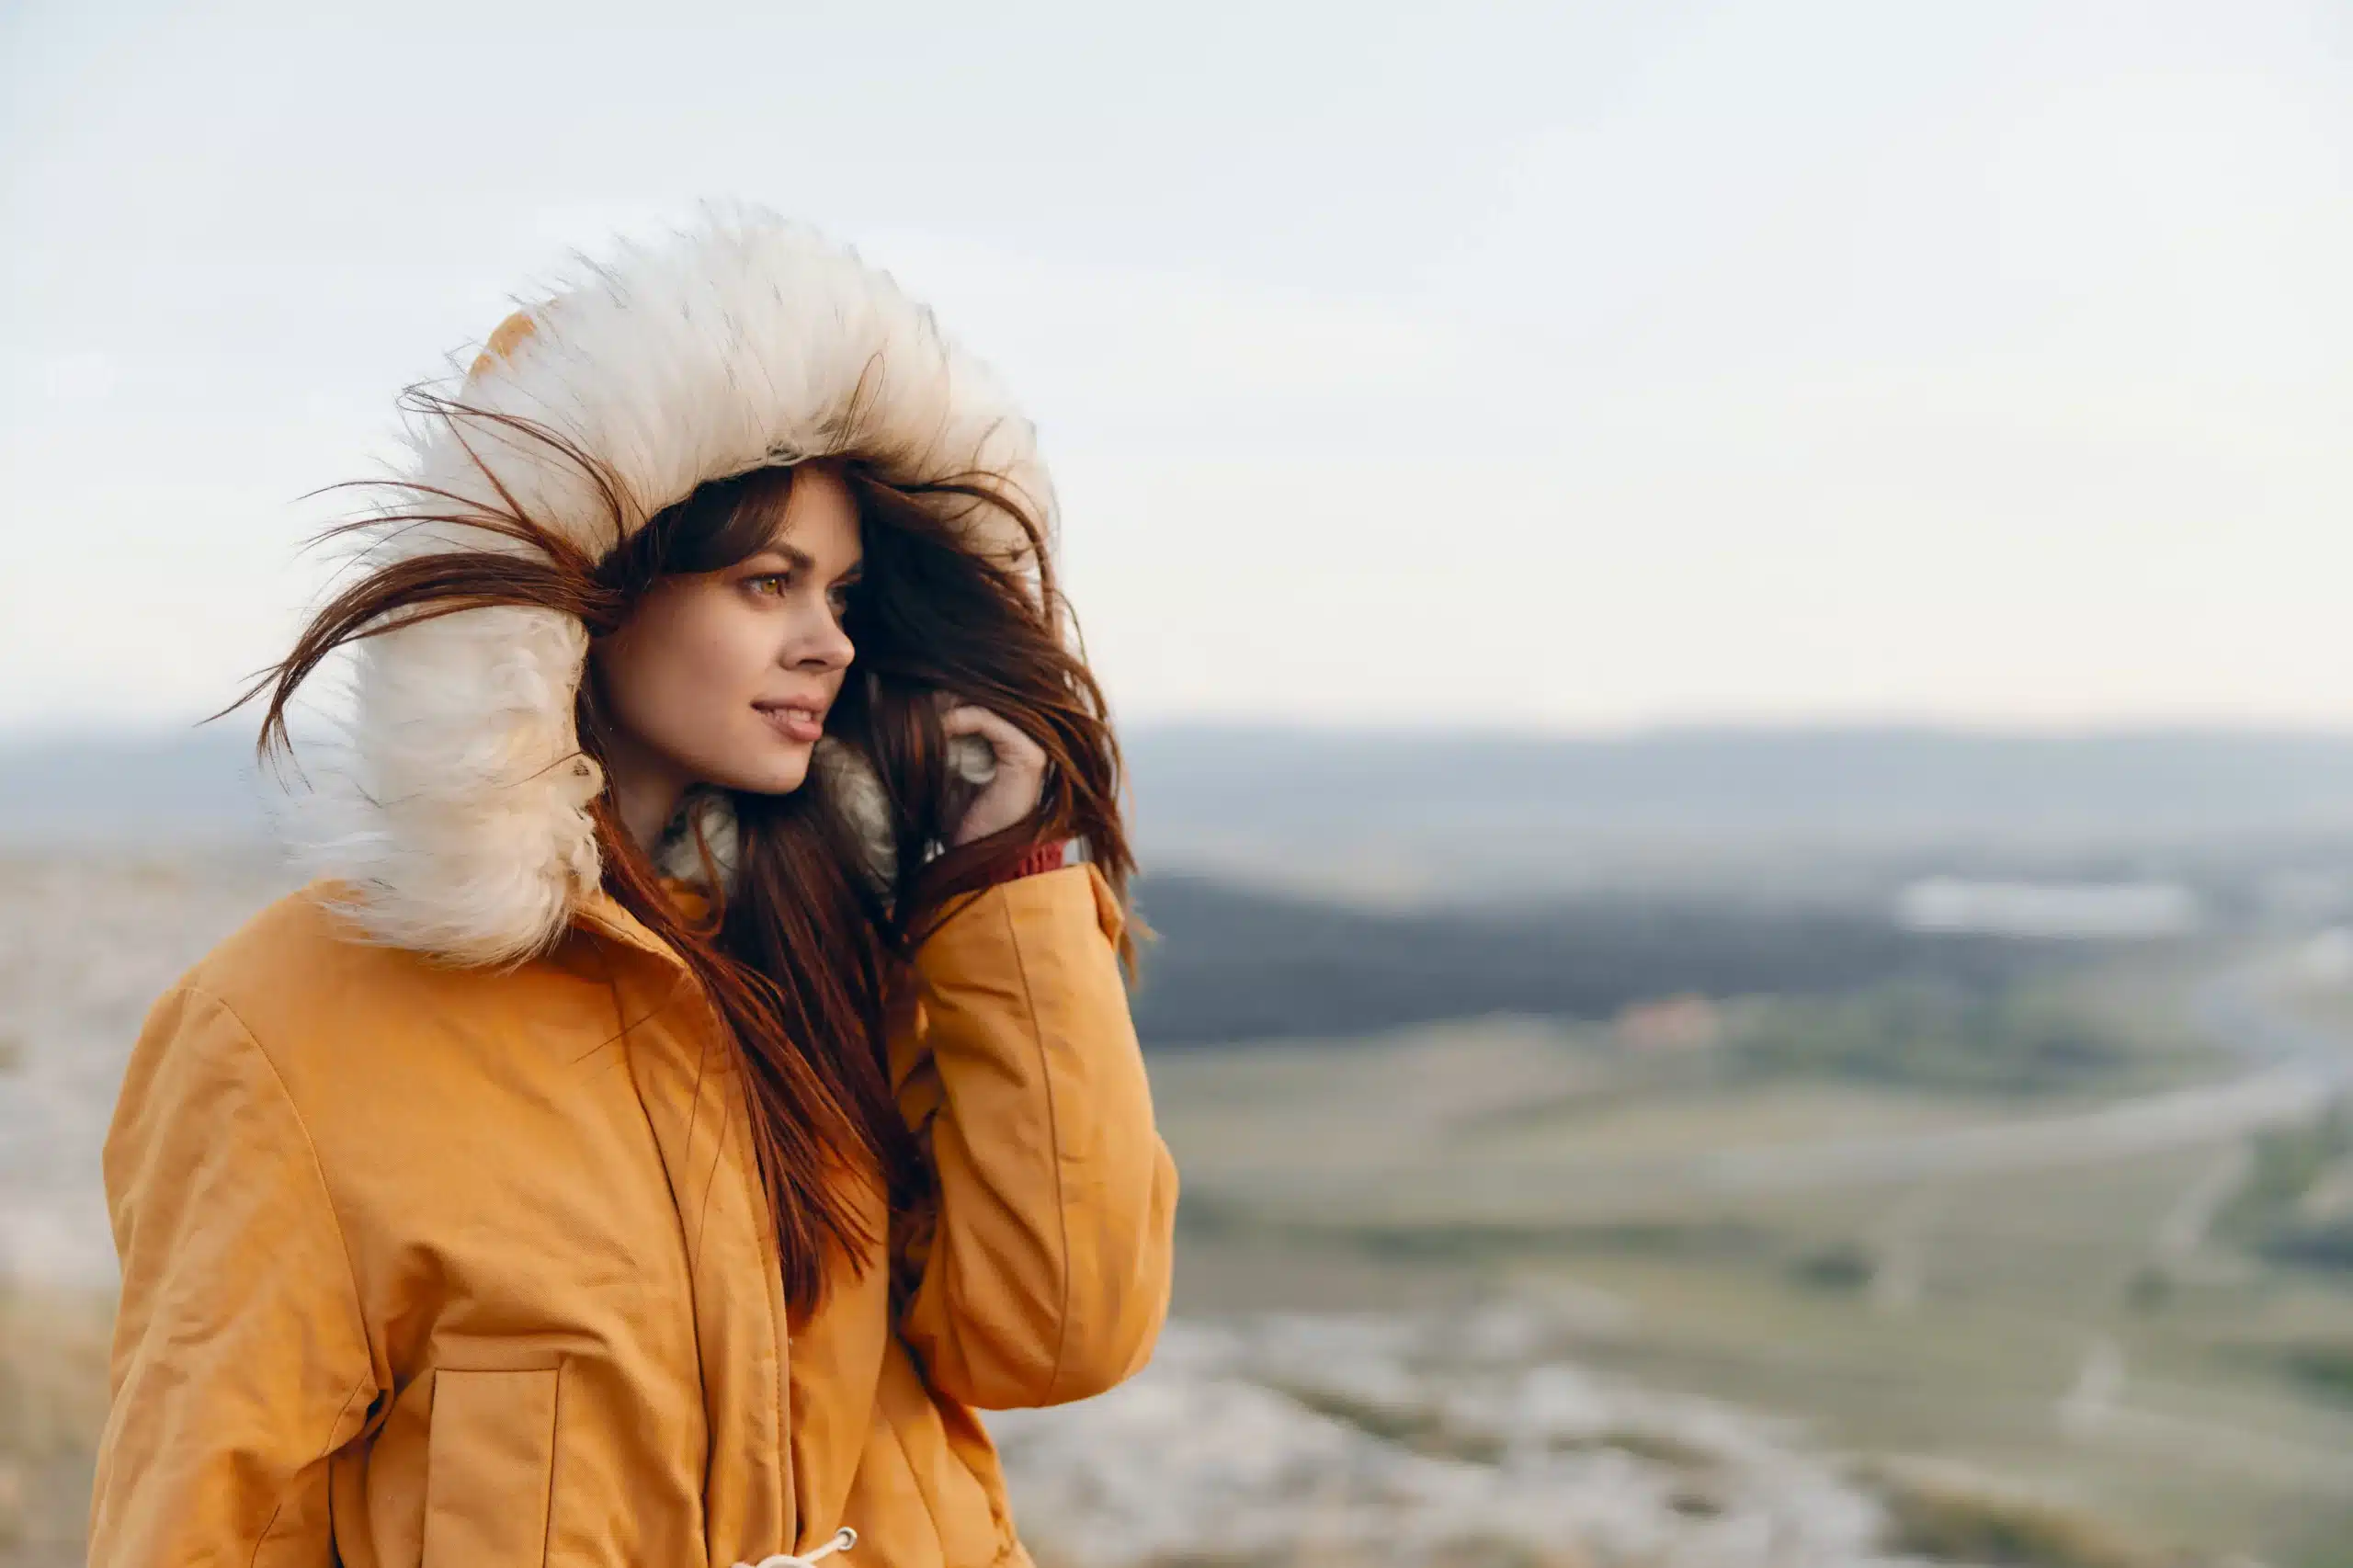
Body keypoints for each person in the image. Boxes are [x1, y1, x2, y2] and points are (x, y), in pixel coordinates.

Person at [87, 209, 1179, 1568]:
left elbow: (1060, 1330)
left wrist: (1007, 878)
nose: (826, 641)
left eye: (840, 592)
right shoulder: (283, 1028)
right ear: (591, 594)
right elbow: (204, 1521)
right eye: (764, 579)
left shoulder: (841, 949)